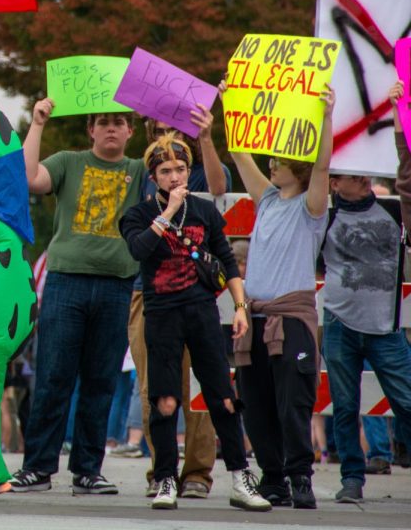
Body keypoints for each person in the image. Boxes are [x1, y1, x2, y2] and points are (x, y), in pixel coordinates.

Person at [119, 132, 270, 511]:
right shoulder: (137, 215)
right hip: (162, 314)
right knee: (165, 400)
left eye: (181, 169)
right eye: (166, 170)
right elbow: (139, 249)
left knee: (222, 397)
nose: (175, 176)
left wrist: (239, 307)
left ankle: (239, 477)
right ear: (153, 177)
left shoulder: (204, 212)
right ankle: (166, 477)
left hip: (201, 312)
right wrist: (167, 212)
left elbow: (226, 258)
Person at [12, 104, 144, 495]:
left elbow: (175, 170)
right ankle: (37, 467)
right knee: (53, 376)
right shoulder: (69, 161)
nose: (110, 129)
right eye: (102, 122)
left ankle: (88, 470)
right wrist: (37, 124)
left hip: (117, 283)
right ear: (90, 129)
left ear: (130, 131)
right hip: (66, 281)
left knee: (101, 382)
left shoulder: (139, 170)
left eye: (119, 123)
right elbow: (28, 176)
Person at [226, 82, 334, 509]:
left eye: (282, 158)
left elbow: (324, 169)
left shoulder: (311, 207)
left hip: (290, 320)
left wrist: (326, 118)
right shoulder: (268, 200)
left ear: (300, 167)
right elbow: (239, 152)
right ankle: (273, 477)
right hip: (254, 319)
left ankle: (300, 475)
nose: (272, 162)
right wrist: (231, 104)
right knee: (257, 404)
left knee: (294, 401)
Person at [130, 108, 229, 498]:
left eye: (175, 130)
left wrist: (205, 138)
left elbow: (220, 187)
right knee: (154, 388)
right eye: (158, 129)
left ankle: (198, 474)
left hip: (194, 293)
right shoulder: (142, 171)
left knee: (203, 385)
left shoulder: (195, 169)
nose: (167, 136)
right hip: (148, 293)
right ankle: (162, 471)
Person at [323, 83, 411, 503]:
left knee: (407, 399)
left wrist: (398, 113)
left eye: (343, 174)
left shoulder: (393, 210)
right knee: (344, 405)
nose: (337, 180)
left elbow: (406, 173)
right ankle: (351, 478)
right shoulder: (325, 213)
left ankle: (403, 455)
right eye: (334, 175)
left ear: (361, 177)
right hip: (340, 324)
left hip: (385, 328)